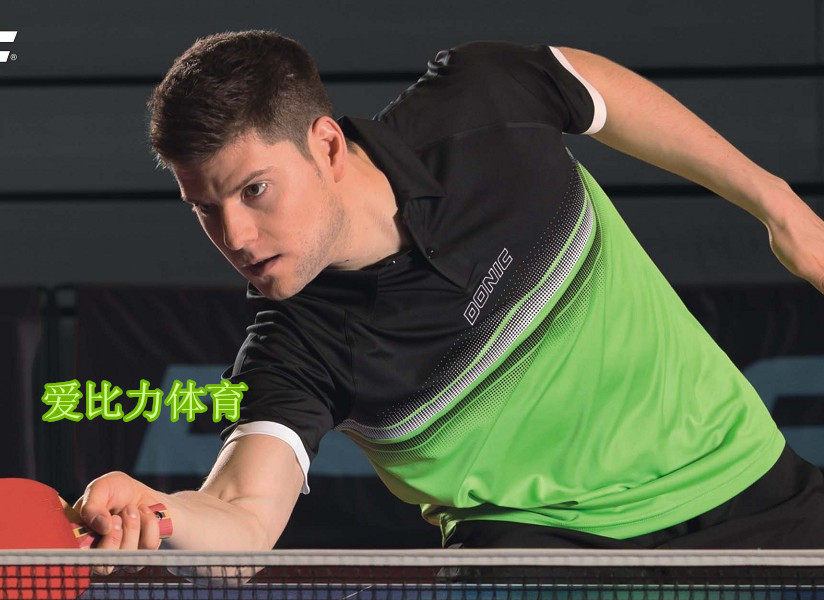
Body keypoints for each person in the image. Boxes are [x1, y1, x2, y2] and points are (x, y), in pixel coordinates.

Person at [74, 30, 824, 555]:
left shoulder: (478, 108)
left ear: (327, 145)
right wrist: (158, 514)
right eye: (205, 208)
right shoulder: (295, 347)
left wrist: (779, 208)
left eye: (254, 190)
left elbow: (591, 88)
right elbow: (242, 517)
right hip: (539, 556)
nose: (235, 236)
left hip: (743, 479)